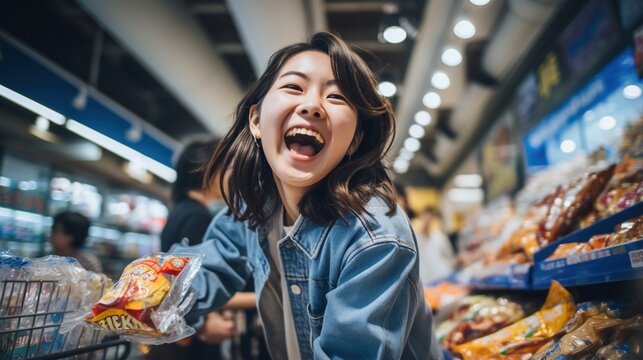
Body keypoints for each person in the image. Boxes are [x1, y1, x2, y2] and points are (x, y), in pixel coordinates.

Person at [171, 32, 441, 359]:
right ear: (256, 120)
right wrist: (140, 295)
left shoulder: (375, 238)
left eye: (337, 97)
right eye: (293, 87)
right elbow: (210, 264)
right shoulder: (255, 205)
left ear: (355, 139)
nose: (312, 105)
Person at [149, 139, 236, 360]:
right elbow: (198, 285)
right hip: (192, 334)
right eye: (226, 167)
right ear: (208, 170)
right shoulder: (198, 216)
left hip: (177, 327)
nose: (231, 175)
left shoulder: (180, 210)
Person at [414, 208, 456, 284]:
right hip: (424, 278)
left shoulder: (440, 237)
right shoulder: (416, 238)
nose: (427, 220)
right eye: (425, 217)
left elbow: (449, 256)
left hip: (441, 276)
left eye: (430, 218)